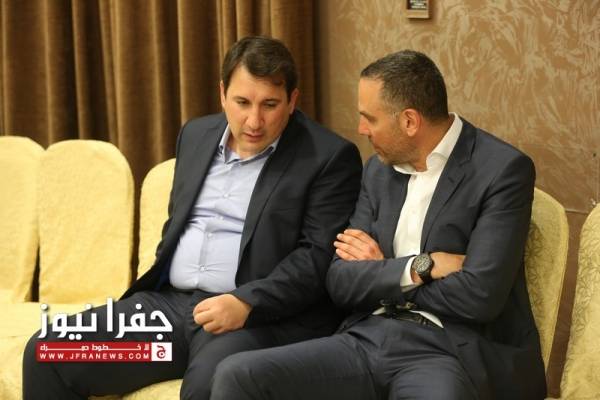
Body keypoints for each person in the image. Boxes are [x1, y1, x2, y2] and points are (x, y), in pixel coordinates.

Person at [22, 36, 363, 399]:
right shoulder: (196, 135)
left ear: (292, 101)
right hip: (167, 313)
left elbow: (315, 258)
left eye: (270, 105)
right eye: (242, 102)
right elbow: (178, 224)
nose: (254, 121)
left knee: (210, 388)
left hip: (249, 318)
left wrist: (246, 303)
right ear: (222, 94)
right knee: (48, 353)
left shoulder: (327, 157)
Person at [209, 50, 547, 400]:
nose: (361, 129)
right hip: (367, 337)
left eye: (369, 118)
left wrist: (383, 272)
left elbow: (480, 296)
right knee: (238, 376)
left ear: (409, 121)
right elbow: (340, 281)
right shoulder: (377, 170)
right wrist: (420, 267)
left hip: (446, 350)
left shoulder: (501, 171)